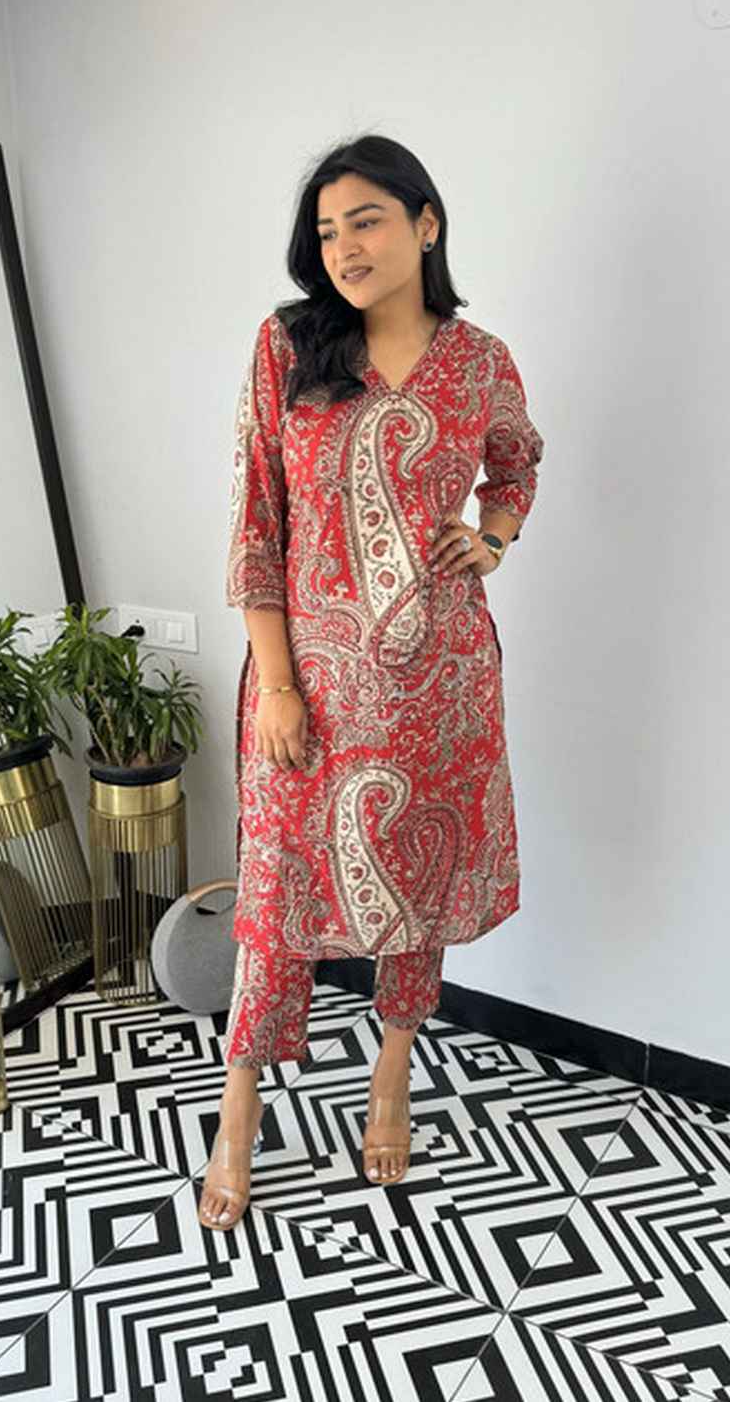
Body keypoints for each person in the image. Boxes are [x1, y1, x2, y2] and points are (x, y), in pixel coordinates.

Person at [198, 134, 545, 1230]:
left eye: (366, 221)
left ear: (424, 224)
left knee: (417, 882)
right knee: (274, 900)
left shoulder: (479, 361)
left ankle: (390, 1073)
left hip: (441, 680)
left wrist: (493, 537)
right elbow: (255, 524)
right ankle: (239, 1110)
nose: (343, 247)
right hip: (305, 684)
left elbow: (518, 459)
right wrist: (278, 685)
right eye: (326, 230)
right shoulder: (288, 344)